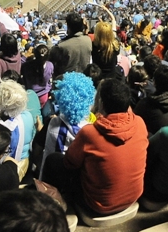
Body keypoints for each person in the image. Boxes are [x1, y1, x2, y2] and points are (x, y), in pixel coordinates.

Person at [50, 77, 148, 215]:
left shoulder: (90, 133)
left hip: (99, 204)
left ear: (101, 102)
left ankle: (52, 208)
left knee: (53, 159)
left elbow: (69, 163)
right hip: (133, 196)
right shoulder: (140, 123)